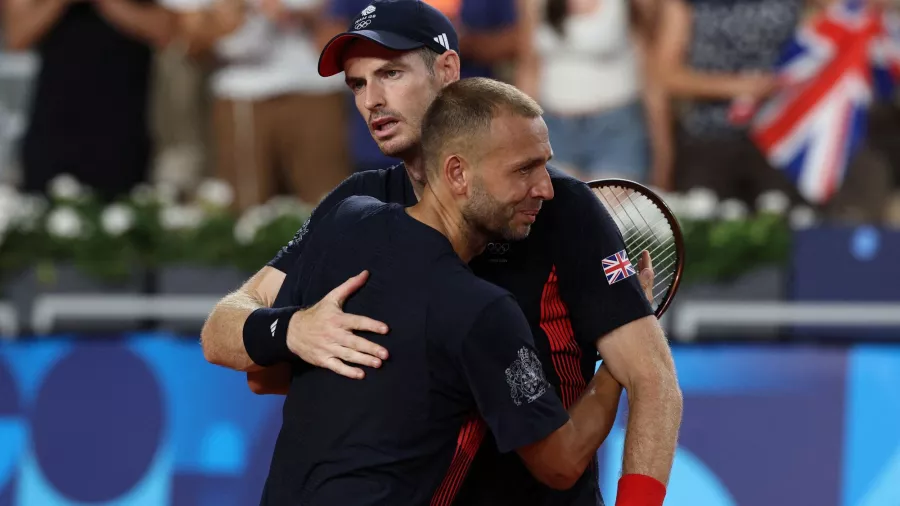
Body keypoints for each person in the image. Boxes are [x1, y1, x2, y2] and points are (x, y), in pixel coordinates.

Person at [199, 1, 682, 505]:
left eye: (390, 73)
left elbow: (653, 381)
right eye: (358, 84)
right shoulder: (355, 206)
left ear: (448, 69)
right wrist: (294, 330)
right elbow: (232, 335)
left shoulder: (559, 208)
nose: (372, 101)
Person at [255, 77, 633, 506]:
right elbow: (560, 464)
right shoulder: (483, 312)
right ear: (457, 173)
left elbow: (262, 375)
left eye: (545, 165)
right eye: (524, 169)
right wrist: (611, 366)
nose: (546, 188)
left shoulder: (346, 220)